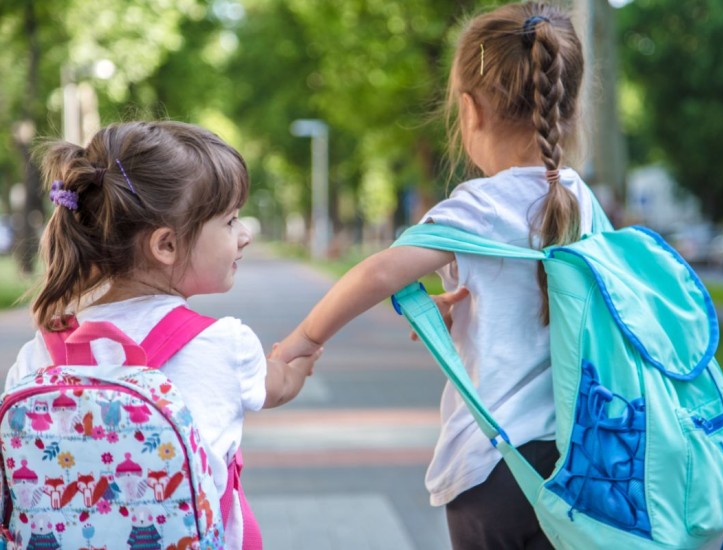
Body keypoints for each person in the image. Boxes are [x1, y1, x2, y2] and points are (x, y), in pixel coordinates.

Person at [274, 2, 598, 548]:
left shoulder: (481, 205)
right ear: (569, 105)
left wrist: (299, 342)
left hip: (497, 466)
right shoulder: (582, 200)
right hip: (580, 459)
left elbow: (379, 273)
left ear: (469, 110)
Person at [5, 120, 319, 548]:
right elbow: (280, 383)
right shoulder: (223, 343)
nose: (244, 236)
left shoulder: (40, 351)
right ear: (166, 245)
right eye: (229, 222)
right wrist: (304, 354)